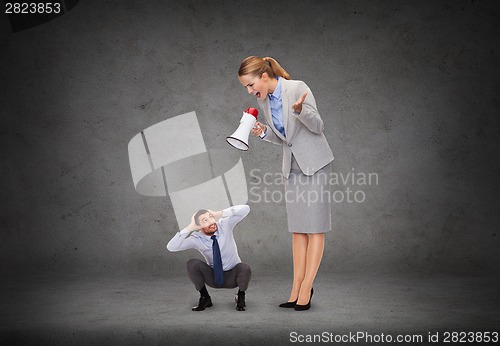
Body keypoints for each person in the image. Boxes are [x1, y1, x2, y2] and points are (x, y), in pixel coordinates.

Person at [238, 56, 334, 311]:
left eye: (250, 84)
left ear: (264, 76)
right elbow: (285, 139)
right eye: (246, 88)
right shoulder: (264, 100)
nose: (249, 91)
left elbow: (318, 126)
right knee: (298, 229)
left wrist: (301, 110)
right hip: (292, 167)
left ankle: (306, 287)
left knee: (315, 228)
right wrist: (263, 133)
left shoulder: (298, 88)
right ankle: (296, 287)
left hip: (315, 164)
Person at [166, 205, 251, 311]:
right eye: (205, 220)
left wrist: (218, 214)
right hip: (213, 277)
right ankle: (205, 297)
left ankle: (240, 296)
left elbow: (246, 209)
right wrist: (189, 228)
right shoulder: (196, 238)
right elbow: (171, 247)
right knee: (192, 264)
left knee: (244, 268)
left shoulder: (225, 225)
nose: (211, 221)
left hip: (233, 277)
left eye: (211, 217)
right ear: (198, 226)